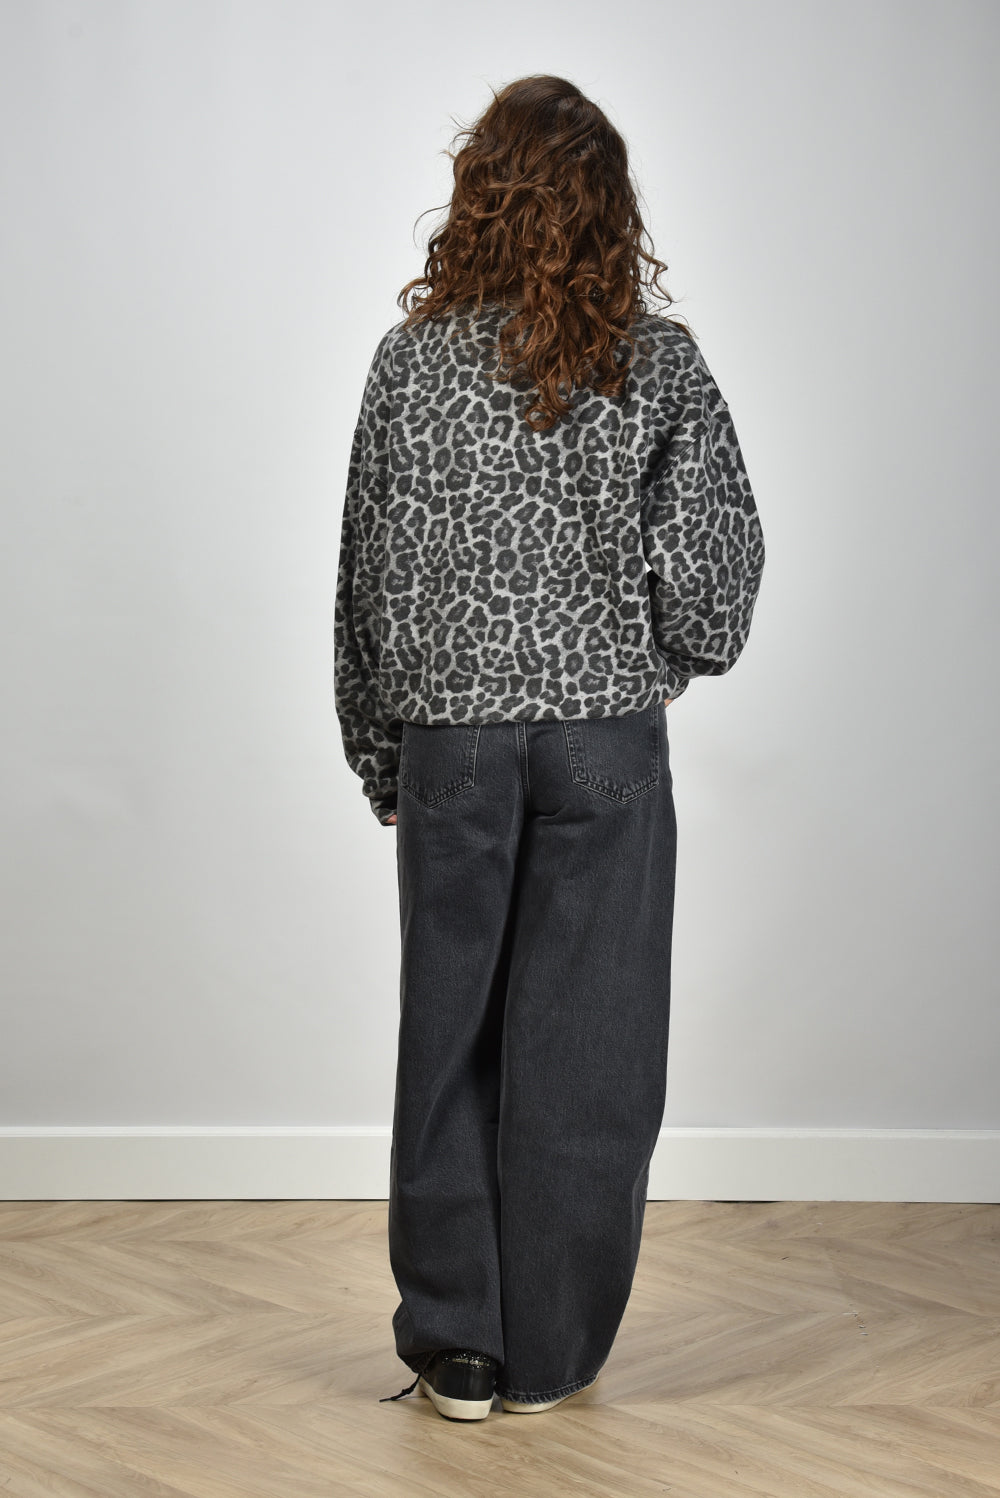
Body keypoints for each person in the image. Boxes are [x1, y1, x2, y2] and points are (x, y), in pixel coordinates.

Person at [334, 73, 766, 1422]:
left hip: (453, 734)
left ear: (477, 197)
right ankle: (552, 1353)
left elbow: (367, 574)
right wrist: (664, 658)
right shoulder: (657, 360)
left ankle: (457, 1346)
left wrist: (381, 755)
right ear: (610, 210)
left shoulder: (411, 364)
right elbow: (719, 575)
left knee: (449, 1038)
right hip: (603, 740)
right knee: (591, 1044)